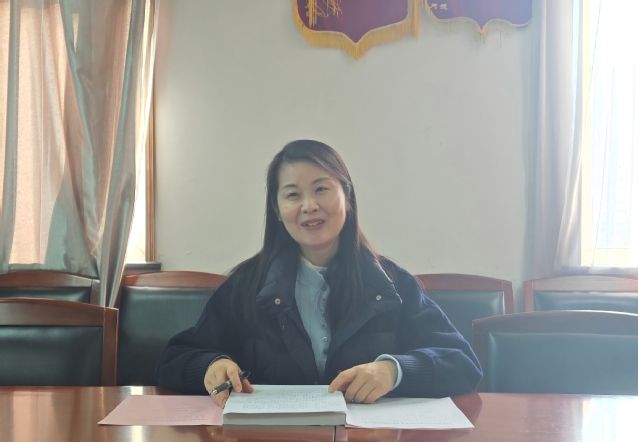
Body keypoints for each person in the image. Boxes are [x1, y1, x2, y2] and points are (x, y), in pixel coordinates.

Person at [156, 139, 482, 407]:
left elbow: (462, 362)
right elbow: (175, 359)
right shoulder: (247, 285)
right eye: (293, 194)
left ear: (347, 197)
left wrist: (393, 371)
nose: (309, 205)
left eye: (321, 189)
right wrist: (211, 366)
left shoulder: (391, 283)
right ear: (277, 210)